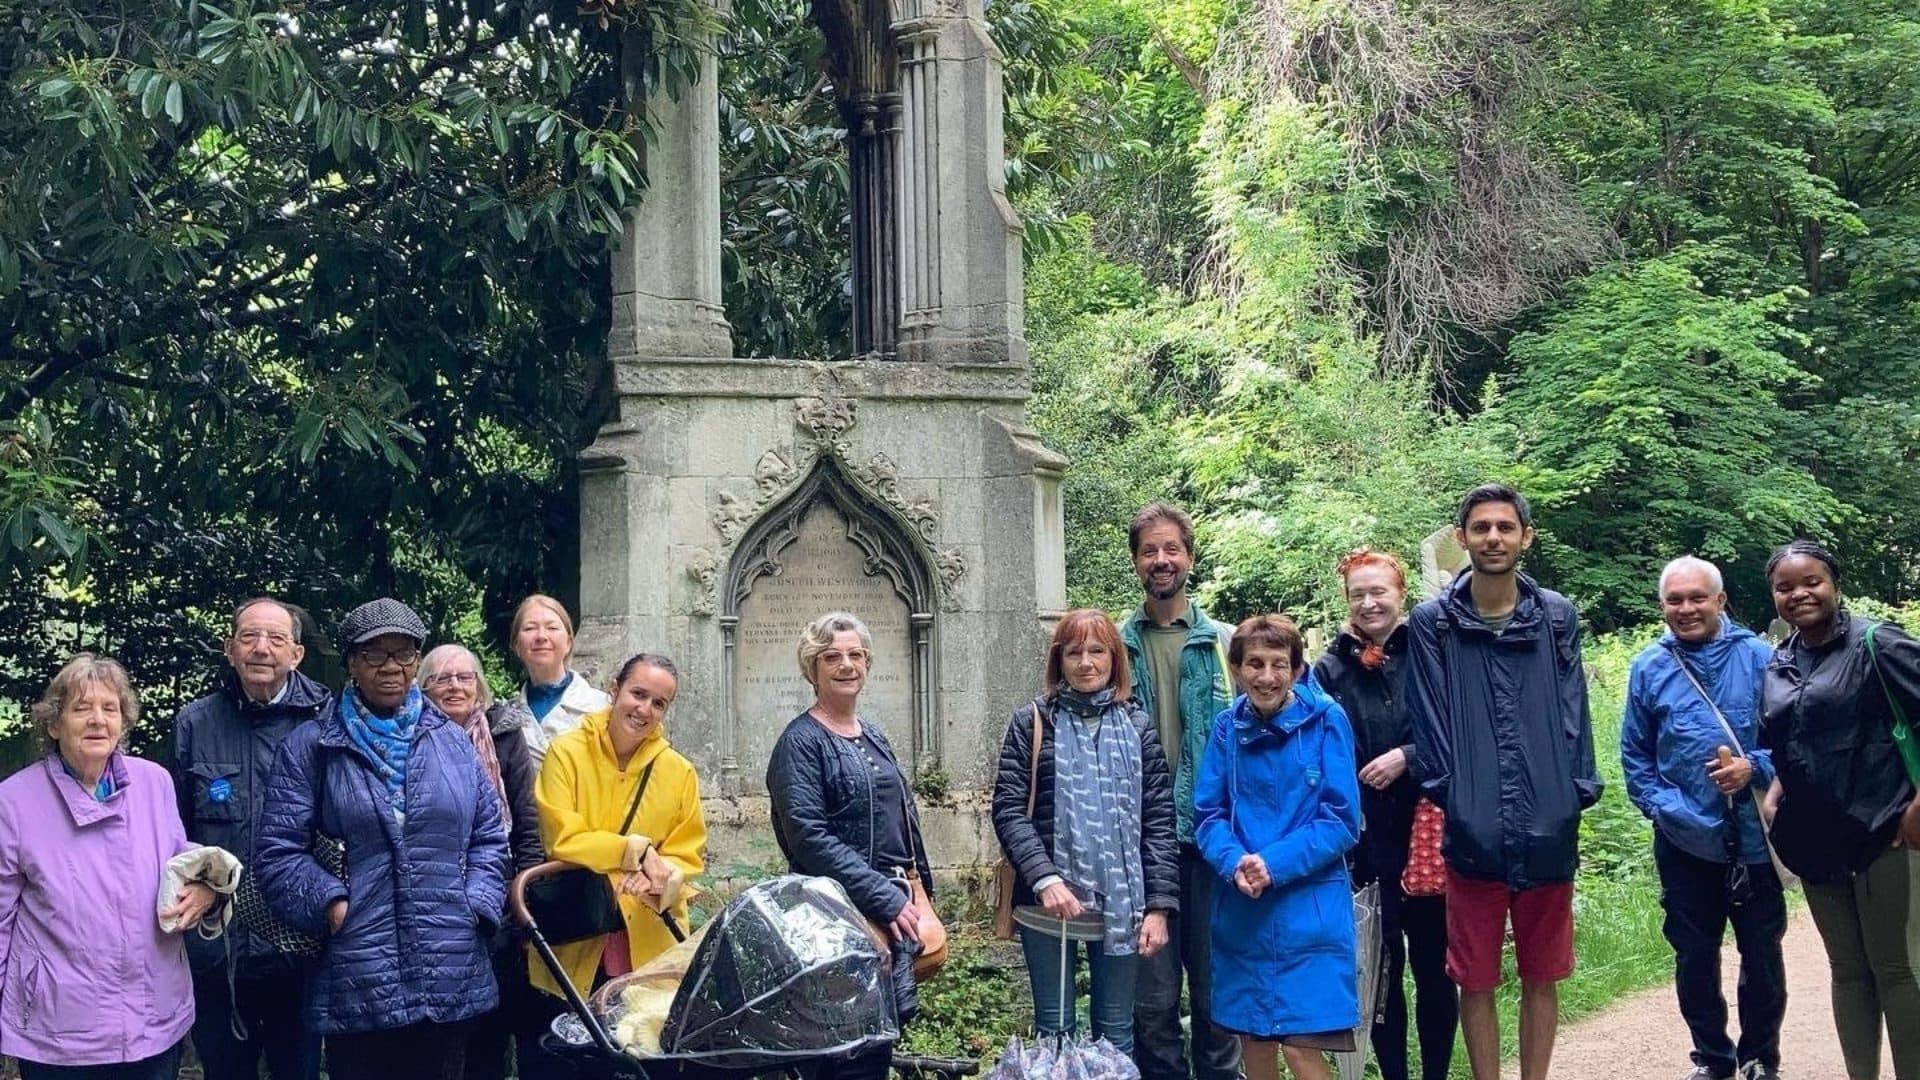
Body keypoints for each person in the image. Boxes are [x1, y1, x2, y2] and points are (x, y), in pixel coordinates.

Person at [254, 598, 511, 1080]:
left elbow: (489, 837)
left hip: (448, 963)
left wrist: (475, 905)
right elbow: (278, 852)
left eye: (404, 653)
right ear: (351, 662)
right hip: (359, 970)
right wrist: (332, 905)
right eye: (375, 654)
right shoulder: (314, 746)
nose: (391, 666)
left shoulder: (451, 741)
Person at [1406, 484, 1601, 1080]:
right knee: (1476, 976)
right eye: (1482, 528)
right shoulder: (1433, 623)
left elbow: (1575, 713)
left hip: (1548, 827)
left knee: (1544, 972)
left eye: (1505, 527)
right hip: (1472, 833)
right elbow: (1431, 722)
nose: (1494, 538)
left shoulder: (1556, 615)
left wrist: (1571, 797)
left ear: (1526, 537)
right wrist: (1458, 801)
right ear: (1462, 537)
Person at [0, 654, 221, 1078]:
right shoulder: (14, 802)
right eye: (81, 708)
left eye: (110, 708)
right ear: (53, 724)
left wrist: (207, 891)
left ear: (123, 722)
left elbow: (181, 866)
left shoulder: (154, 782)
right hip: (58, 1030)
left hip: (154, 1019)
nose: (97, 720)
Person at [1620, 556, 1787, 1080]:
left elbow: (1791, 742)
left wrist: (1752, 768)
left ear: (1720, 600)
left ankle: (1759, 1057)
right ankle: (1712, 1058)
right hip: (1684, 840)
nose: (1686, 609)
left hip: (1754, 837)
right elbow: (1635, 757)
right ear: (1662, 606)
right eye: (1675, 600)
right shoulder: (1650, 667)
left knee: (1761, 954)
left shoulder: (1763, 658)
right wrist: (1666, 810)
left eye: (1697, 598)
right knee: (1694, 955)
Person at [1759, 540, 1920, 1079]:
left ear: (1834, 583)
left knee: (1897, 970)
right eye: (1786, 587)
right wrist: (1780, 780)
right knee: (1848, 970)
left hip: (1885, 826)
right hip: (1814, 836)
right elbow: (1789, 733)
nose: (1799, 593)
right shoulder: (1780, 660)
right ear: (1774, 597)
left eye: (1812, 582)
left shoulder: (1879, 642)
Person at [991, 608, 1178, 1053]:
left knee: (1115, 1032)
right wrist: (1045, 878)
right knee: (1054, 1028)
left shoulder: (1137, 726)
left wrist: (1159, 907)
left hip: (1122, 904)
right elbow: (1009, 810)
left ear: (1115, 659)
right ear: (1059, 662)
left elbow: (1158, 824)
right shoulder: (1033, 722)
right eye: (1074, 653)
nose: (1086, 663)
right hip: (1048, 902)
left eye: (1097, 651)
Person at [767, 612, 936, 1080]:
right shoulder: (800, 742)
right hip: (832, 917)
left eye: (855, 655)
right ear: (813, 667)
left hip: (886, 912)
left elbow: (904, 821)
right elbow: (807, 835)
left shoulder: (873, 735)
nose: (846, 664)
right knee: (837, 1051)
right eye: (832, 656)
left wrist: (922, 897)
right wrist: (880, 895)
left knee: (873, 1047)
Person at [1195, 615, 1362, 1080]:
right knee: (1255, 1042)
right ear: (1236, 668)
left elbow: (1342, 820)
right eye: (1255, 664)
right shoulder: (1226, 728)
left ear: (1296, 669)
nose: (1266, 677)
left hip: (1308, 911)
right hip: (1243, 910)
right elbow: (1207, 815)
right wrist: (1234, 864)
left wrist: (1273, 863)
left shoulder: (1327, 721)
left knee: (1302, 1049)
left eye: (1278, 664)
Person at [1312, 549, 1456, 1080]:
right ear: (1347, 600)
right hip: (1365, 844)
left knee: (1437, 969)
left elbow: (1461, 730)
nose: (1369, 602)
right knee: (1381, 972)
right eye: (1358, 594)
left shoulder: (1434, 652)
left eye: (1379, 592)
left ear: (1400, 595)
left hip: (1429, 837)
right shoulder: (1327, 670)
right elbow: (1318, 754)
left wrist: (1408, 758)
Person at [173, 597, 328, 1080]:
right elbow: (172, 834)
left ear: (296, 654)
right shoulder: (194, 723)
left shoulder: (327, 722)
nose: (262, 649)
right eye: (249, 637)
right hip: (219, 951)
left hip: (300, 951)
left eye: (276, 639)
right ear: (230, 648)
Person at [1116, 502, 1240, 1080]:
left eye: (1171, 549)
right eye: (1149, 551)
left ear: (1190, 556)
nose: (1160, 560)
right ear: (1136, 561)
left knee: (1219, 999)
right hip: (1142, 850)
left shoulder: (1227, 646)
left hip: (1214, 846)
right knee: (1154, 1000)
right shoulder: (1113, 649)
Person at [530, 653, 706, 1013]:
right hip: (577, 933)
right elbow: (562, 837)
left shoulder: (679, 771)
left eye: (659, 703)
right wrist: (635, 852)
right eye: (638, 694)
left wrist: (661, 878)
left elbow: (686, 854)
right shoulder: (565, 753)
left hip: (648, 938)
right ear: (614, 689)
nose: (644, 709)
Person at [416, 644, 547, 1080]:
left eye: (465, 677)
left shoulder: (505, 737)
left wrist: (524, 904)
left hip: (498, 899)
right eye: (442, 678)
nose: (455, 686)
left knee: (492, 1028)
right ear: (424, 688)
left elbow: (527, 824)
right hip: (434, 901)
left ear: (480, 687)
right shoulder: (410, 736)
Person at [511, 594, 612, 767]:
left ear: (569, 643)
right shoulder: (504, 719)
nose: (541, 636)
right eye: (530, 628)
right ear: (516, 646)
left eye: (552, 628)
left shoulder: (604, 708)